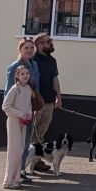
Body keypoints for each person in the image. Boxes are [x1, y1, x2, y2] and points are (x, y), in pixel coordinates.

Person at [5, 39, 41, 183]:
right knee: (16, 146)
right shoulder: (14, 67)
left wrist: (35, 107)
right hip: (17, 110)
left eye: (32, 48)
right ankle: (13, 176)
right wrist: (15, 112)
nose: (29, 50)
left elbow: (34, 88)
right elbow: (9, 91)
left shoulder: (34, 64)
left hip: (29, 108)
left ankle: (21, 171)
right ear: (20, 49)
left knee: (26, 142)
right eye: (26, 48)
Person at [29, 32, 62, 172]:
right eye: (48, 41)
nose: (51, 43)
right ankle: (25, 163)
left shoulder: (52, 60)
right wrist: (35, 102)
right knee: (31, 134)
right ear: (39, 45)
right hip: (36, 104)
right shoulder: (32, 60)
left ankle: (35, 162)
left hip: (49, 103)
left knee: (40, 134)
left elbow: (55, 79)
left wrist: (59, 98)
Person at [1, 64, 34, 189]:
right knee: (14, 151)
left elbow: (29, 105)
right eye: (22, 74)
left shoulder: (28, 89)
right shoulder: (15, 89)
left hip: (23, 122)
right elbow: (5, 106)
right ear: (17, 76)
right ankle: (8, 181)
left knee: (20, 151)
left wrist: (29, 114)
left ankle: (15, 180)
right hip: (14, 121)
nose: (25, 76)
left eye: (27, 73)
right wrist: (20, 114)